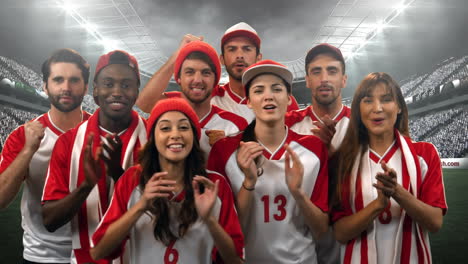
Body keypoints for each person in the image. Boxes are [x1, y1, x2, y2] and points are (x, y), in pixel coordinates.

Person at [91, 98, 244, 263]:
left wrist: (210, 220)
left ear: (194, 136)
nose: (175, 134)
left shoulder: (213, 184)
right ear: (153, 138)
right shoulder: (132, 179)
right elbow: (99, 252)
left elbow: (235, 260)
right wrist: (140, 207)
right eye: (165, 128)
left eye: (184, 127)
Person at [208, 60, 329, 263]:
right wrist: (248, 183)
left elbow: (322, 232)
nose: (268, 96)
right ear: (248, 101)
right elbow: (222, 230)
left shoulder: (314, 149)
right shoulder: (224, 151)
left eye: (276, 89)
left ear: (289, 98)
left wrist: (299, 194)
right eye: (258, 90)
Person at [42, 50, 147, 264]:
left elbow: (166, 210)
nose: (117, 92)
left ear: (137, 91)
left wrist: (120, 176)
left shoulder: (156, 138)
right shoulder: (68, 143)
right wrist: (86, 185)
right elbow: (50, 220)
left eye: (126, 85)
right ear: (96, 90)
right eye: (108, 84)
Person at [331, 72, 447, 264]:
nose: (377, 108)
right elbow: (341, 233)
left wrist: (397, 192)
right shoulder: (344, 160)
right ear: (358, 109)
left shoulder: (424, 154)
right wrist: (377, 205)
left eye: (386, 100)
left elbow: (435, 223)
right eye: (368, 101)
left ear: (399, 107)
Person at [0, 48, 91, 264]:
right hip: (42, 255)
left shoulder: (102, 131)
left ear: (86, 87)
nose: (66, 88)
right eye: (58, 79)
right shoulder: (24, 135)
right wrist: (28, 150)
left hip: (94, 253)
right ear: (45, 86)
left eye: (74, 80)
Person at [285, 43, 350, 264]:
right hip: (298, 248)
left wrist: (330, 154)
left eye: (332, 71)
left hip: (352, 246)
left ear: (344, 79)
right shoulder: (286, 126)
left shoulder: (364, 126)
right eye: (316, 71)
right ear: (308, 80)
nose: (324, 78)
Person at [138, 41, 248, 158]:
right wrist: (177, 55)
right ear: (179, 78)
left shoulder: (236, 125)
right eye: (189, 72)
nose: (197, 80)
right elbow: (144, 103)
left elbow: (244, 171)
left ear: (215, 80)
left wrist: (227, 147)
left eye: (206, 73)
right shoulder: (169, 108)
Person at [211, 22, 299, 122]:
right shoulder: (209, 98)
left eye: (247, 49)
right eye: (232, 49)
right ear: (221, 59)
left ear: (258, 58)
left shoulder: (282, 100)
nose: (239, 55)